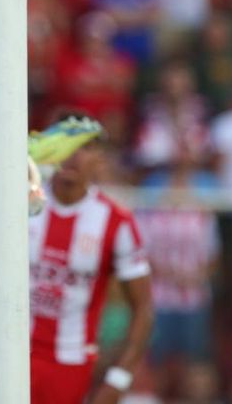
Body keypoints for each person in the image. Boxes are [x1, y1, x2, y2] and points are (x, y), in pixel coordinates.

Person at [29, 117, 154, 404]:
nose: (73, 155)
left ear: (100, 160)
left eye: (85, 147)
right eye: (65, 144)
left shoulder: (116, 222)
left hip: (68, 365)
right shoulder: (16, 203)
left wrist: (119, 379)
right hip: (3, 353)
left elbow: (143, 308)